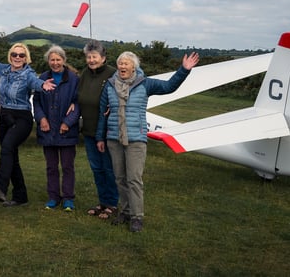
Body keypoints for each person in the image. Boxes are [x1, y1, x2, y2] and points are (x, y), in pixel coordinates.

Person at [96, 50, 199, 232]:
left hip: (136, 139)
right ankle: (126, 211)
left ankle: (137, 217)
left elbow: (169, 87)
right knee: (120, 178)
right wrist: (100, 137)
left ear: (134, 66)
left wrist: (184, 70)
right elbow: (102, 112)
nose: (122, 66)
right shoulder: (110, 85)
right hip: (114, 138)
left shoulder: (145, 84)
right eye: (120, 63)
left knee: (134, 179)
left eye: (126, 63)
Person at [0, 33, 55, 207]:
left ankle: (0, 185)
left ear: (26, 58)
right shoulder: (4, 70)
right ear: (10, 56)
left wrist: (43, 85)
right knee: (12, 156)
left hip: (21, 118)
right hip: (5, 117)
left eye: (21, 55)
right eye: (14, 54)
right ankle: (20, 195)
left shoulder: (28, 74)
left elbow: (35, 82)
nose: (17, 57)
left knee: (7, 147)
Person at [33, 45, 80, 211]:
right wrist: (41, 119)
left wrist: (68, 122)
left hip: (67, 131)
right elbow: (36, 101)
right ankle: (53, 197)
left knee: (67, 167)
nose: (55, 62)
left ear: (63, 60)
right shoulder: (43, 77)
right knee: (51, 167)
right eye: (52, 60)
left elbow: (78, 103)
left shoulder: (74, 79)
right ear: (48, 61)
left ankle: (68, 198)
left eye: (58, 59)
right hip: (47, 130)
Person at [76, 40, 119, 220]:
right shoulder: (85, 74)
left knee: (109, 168)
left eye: (94, 57)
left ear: (103, 58)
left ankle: (113, 204)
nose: (91, 60)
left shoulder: (112, 74)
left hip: (107, 131)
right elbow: (78, 94)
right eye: (88, 57)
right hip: (89, 130)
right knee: (97, 168)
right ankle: (103, 201)